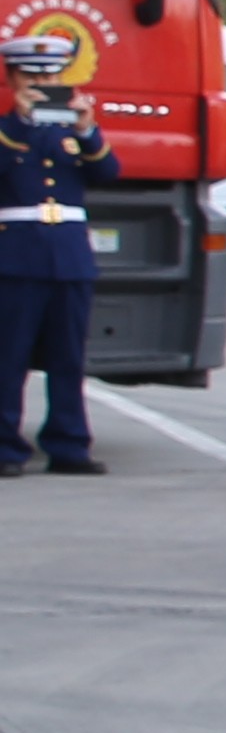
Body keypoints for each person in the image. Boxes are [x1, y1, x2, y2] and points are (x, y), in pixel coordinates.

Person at [0, 33, 112, 471]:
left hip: (68, 257)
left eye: (51, 74)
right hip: (18, 256)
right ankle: (6, 448)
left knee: (68, 360)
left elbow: (107, 172)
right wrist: (21, 123)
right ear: (11, 79)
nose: (43, 82)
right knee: (9, 359)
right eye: (32, 74)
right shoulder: (9, 128)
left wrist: (86, 129)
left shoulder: (72, 130)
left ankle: (69, 446)